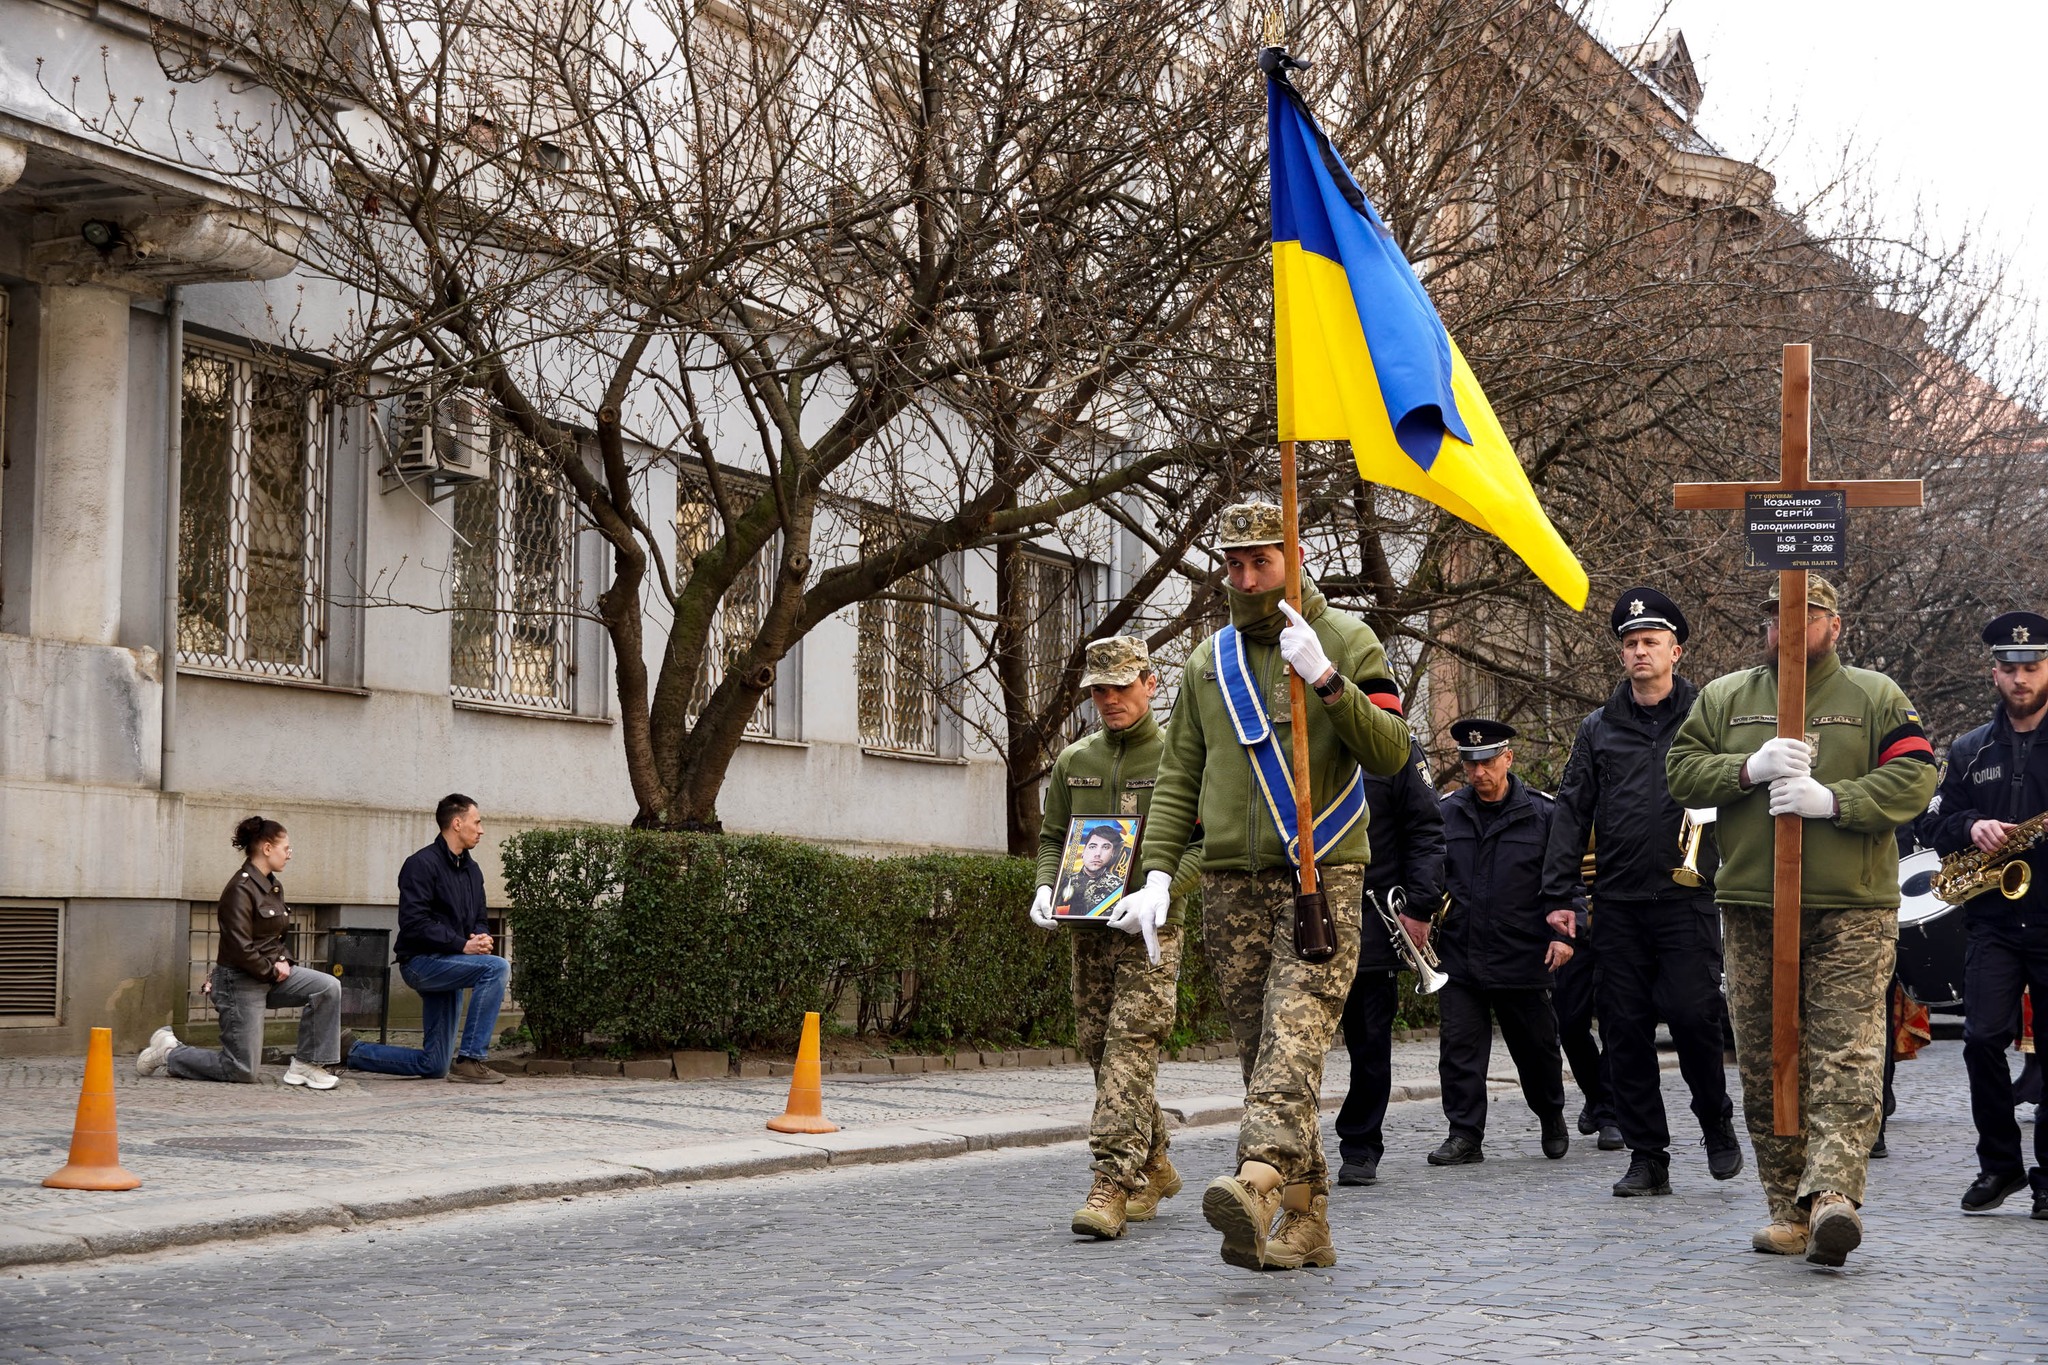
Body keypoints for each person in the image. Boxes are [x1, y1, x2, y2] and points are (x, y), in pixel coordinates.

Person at [1124, 500, 1411, 1272]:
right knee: (1268, 1062)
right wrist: (1156, 871)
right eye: (1236, 563)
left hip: (1321, 878)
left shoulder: (1348, 638)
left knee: (1291, 1043)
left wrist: (1325, 677)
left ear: (1297, 556)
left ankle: (1254, 1184)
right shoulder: (1206, 661)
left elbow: (1390, 751)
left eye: (1263, 561)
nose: (1247, 577)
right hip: (1229, 887)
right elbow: (1181, 773)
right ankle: (1308, 1220)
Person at [1668, 575, 1936, 1267]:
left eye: (1803, 613)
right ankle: (1788, 1208)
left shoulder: (1874, 695)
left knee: (1843, 1052)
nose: (1784, 625)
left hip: (1851, 905)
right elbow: (1680, 770)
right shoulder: (1728, 696)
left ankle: (1835, 1197)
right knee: (1766, 1058)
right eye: (1774, 614)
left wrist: (1834, 800)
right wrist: (1746, 768)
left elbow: (1916, 777)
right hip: (1755, 905)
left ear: (1835, 623)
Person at [1542, 587, 1742, 1197]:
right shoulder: (1598, 729)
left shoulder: (1708, 718)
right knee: (1624, 1033)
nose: (1639, 652)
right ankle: (1647, 1155)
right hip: (1621, 904)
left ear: (1676, 650)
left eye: (1651, 642)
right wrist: (1559, 894)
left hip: (1689, 899)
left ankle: (1716, 1126)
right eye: (1630, 644)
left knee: (1693, 1018)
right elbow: (1571, 813)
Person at [1032, 636, 1202, 1240]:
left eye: (1120, 686)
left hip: (1153, 933)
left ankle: (1111, 1183)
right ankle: (1154, 1163)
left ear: (1151, 684)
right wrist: (1043, 887)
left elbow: (1205, 843)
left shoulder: (1181, 759)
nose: (1108, 699)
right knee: (1100, 1051)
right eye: (1098, 690)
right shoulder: (1076, 759)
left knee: (1130, 1047)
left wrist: (1164, 893)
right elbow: (1054, 837)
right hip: (1089, 929)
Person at [1916, 610, 2048, 1220]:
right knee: (1978, 1043)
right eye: (2010, 668)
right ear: (1993, 673)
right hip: (1993, 920)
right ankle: (2000, 1165)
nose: (2020, 678)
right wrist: (1973, 825)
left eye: (2032, 667)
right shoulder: (1970, 749)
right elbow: (1931, 823)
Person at [1430, 719, 1578, 1166]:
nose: (1478, 773)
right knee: (1459, 1051)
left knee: (1537, 1051)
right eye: (1469, 764)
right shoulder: (1447, 812)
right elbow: (1428, 871)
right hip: (1459, 954)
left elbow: (1565, 881)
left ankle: (1551, 1115)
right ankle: (1464, 1134)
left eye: (1487, 762)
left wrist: (1564, 935)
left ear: (1508, 759)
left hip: (1522, 952)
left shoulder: (1543, 814)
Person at [136, 817, 343, 1089]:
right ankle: (170, 1053)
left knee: (328, 987)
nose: (290, 855)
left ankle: (306, 1064)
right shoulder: (240, 889)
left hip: (269, 975)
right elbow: (239, 947)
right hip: (240, 982)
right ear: (267, 848)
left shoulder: (272, 886)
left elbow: (275, 936)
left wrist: (284, 961)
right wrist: (272, 970)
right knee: (241, 1069)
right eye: (286, 848)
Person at [1332, 738, 1445, 1188]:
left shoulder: (1393, 745)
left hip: (1371, 918)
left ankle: (1360, 1145)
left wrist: (1420, 907)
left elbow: (1425, 830)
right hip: (1305, 912)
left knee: (1369, 1044)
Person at [347, 794, 510, 1084]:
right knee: (496, 968)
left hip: (453, 962)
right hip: (422, 963)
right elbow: (414, 923)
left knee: (434, 1065)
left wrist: (481, 937)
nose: (481, 829)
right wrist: (463, 945)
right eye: (477, 822)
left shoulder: (473, 870)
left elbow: (480, 917)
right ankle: (471, 1059)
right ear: (457, 823)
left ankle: (351, 1050)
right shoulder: (421, 864)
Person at [1055, 824, 1132, 919]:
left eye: (1105, 847)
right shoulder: (1064, 882)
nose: (1097, 854)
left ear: (1113, 853)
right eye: (1092, 847)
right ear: (1083, 852)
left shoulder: (1119, 887)